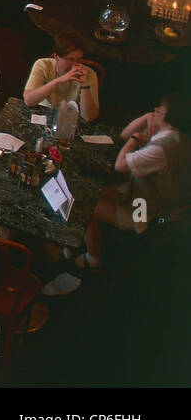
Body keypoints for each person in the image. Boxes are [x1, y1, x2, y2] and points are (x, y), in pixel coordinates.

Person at [79, 93, 191, 271]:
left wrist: (136, 139)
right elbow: (124, 134)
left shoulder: (161, 149)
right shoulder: (175, 135)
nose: (155, 111)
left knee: (84, 207)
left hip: (145, 210)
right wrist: (146, 118)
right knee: (90, 191)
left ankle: (93, 259)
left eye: (159, 110)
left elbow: (120, 165)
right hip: (145, 193)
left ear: (169, 117)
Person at [23, 31, 100, 122]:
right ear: (56, 57)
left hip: (70, 121)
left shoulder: (89, 74)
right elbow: (29, 100)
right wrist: (59, 81)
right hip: (43, 116)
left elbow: (89, 117)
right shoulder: (43, 64)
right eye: (70, 59)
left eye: (79, 59)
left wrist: (84, 85)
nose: (75, 64)